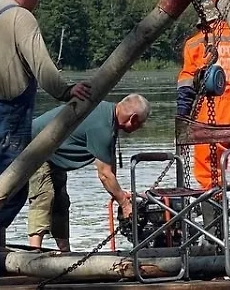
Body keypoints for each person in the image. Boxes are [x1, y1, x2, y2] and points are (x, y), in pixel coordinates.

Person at [0, 0, 92, 232]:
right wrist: (66, 91)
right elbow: (41, 65)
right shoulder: (21, 17)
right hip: (5, 117)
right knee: (12, 190)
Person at [27, 94, 150, 252]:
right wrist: (125, 205)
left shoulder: (109, 117)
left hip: (54, 154)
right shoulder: (102, 127)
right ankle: (34, 252)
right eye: (141, 123)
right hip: (35, 147)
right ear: (133, 118)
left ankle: (64, 252)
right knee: (44, 196)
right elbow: (104, 175)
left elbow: (109, 164)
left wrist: (120, 193)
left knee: (61, 202)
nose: (140, 127)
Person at [175, 1, 230, 189]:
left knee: (210, 177)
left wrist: (183, 117)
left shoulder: (195, 44)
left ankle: (213, 205)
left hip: (210, 114)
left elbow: (186, 87)